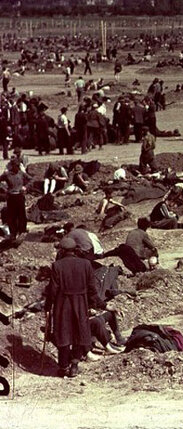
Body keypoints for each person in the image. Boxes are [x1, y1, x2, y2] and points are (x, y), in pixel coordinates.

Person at [46, 237, 108, 378]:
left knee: (63, 335)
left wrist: (48, 306)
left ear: (62, 250)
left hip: (63, 305)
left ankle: (63, 367)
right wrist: (98, 304)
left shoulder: (57, 266)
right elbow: (92, 289)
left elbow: (53, 290)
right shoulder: (86, 264)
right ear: (75, 250)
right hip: (80, 303)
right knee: (80, 334)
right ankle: (74, 365)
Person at [1, 158, 31, 240]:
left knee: (21, 215)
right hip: (11, 197)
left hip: (20, 196)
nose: (17, 167)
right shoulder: (7, 174)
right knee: (12, 216)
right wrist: (5, 189)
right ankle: (13, 233)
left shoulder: (21, 173)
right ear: (12, 165)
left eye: (18, 165)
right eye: (16, 165)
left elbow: (31, 179)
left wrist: (25, 187)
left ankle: (22, 231)